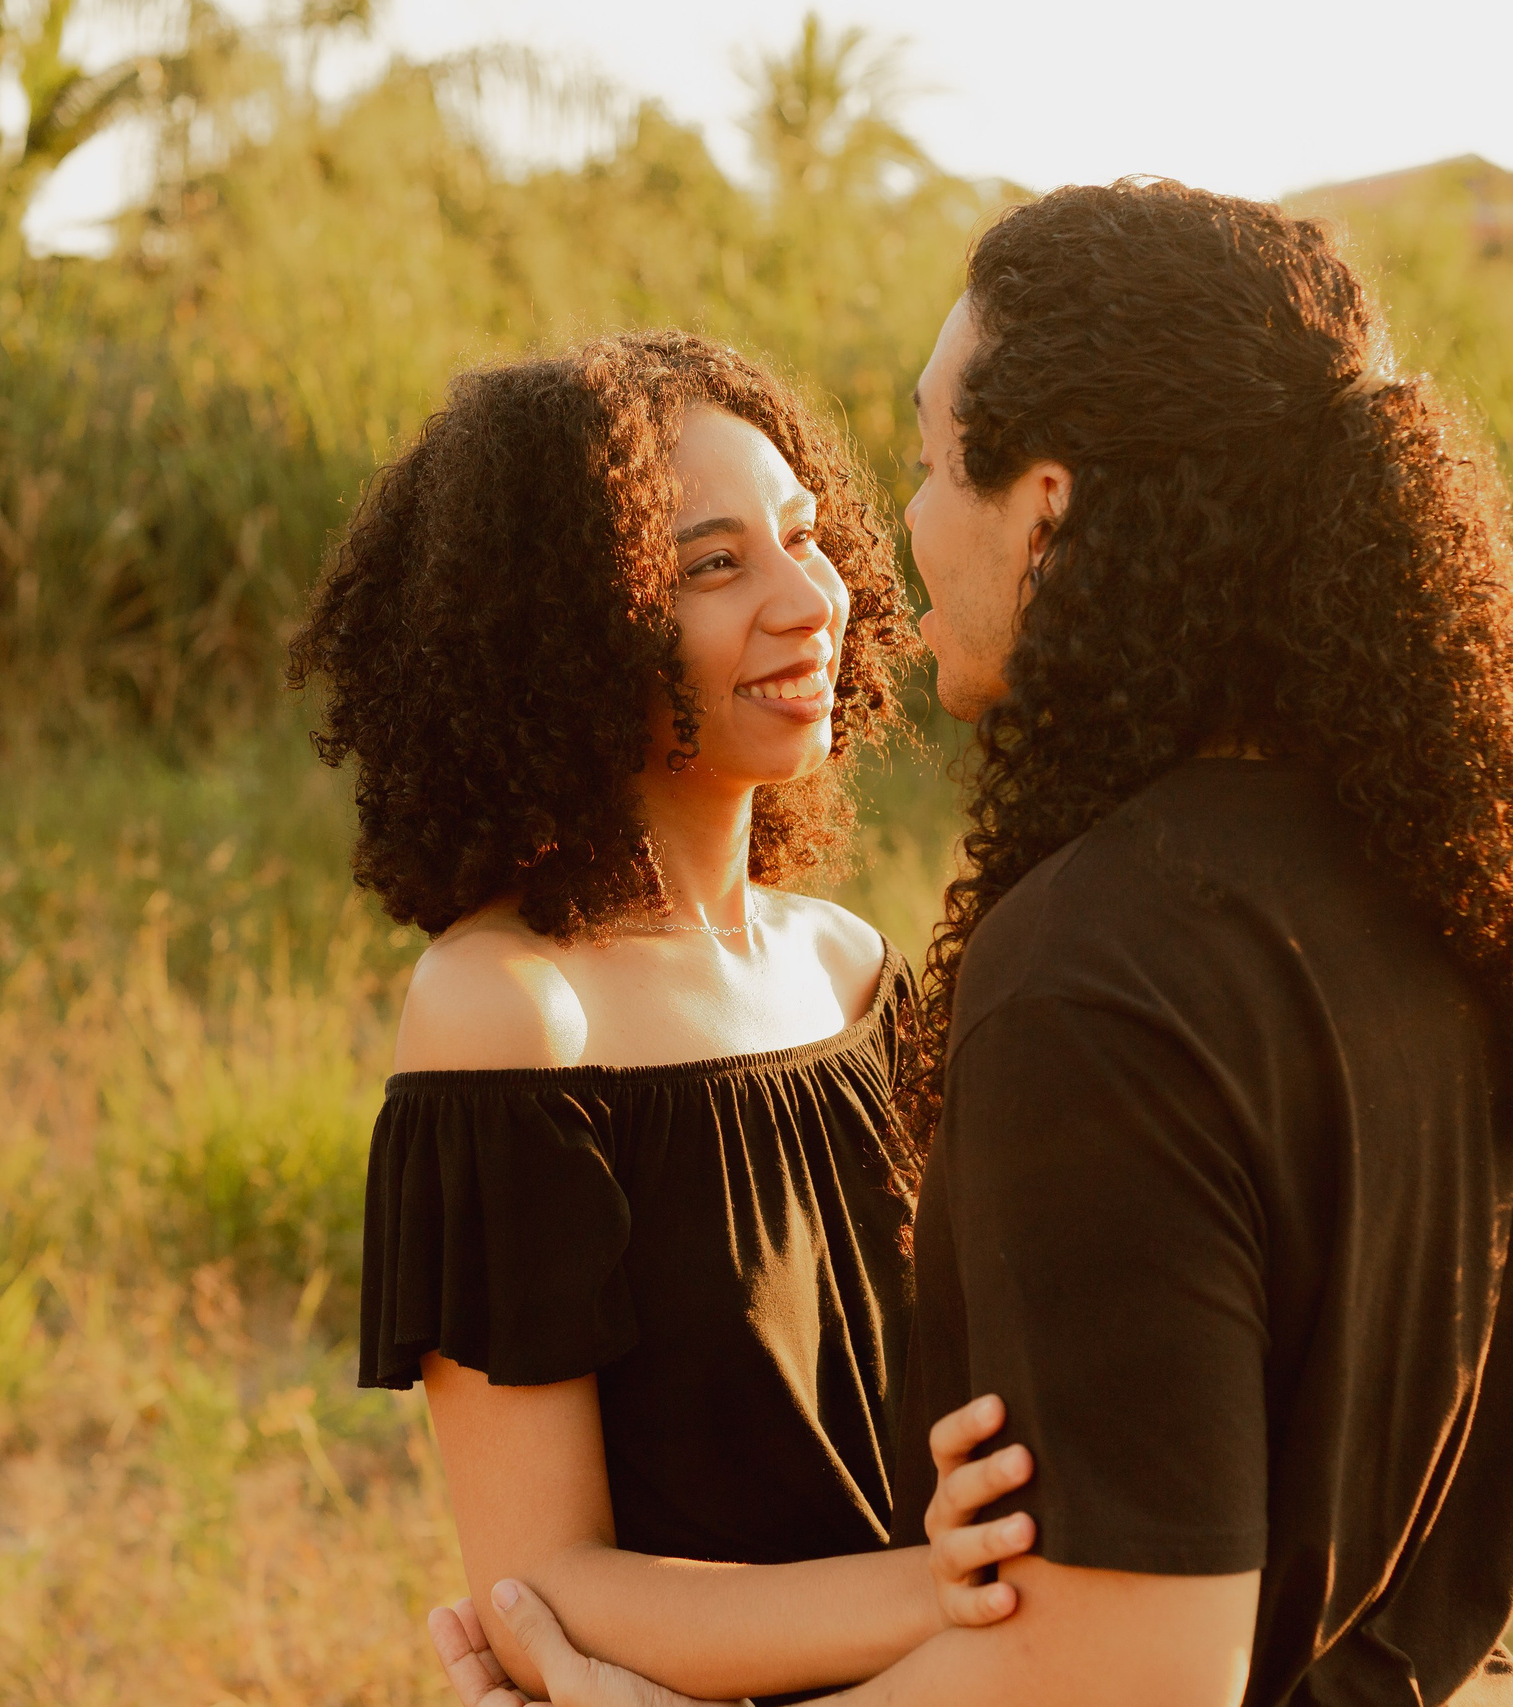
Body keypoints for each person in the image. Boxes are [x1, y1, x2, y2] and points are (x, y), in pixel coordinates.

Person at [433, 181, 1513, 1705]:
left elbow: (1133, 1676)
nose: (891, 540)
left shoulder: (1097, 974)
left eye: (929, 462)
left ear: (1046, 503)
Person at [288, 331, 1043, 1706]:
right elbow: (546, 1587)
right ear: (566, 634)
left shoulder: (852, 965)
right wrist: (946, 1594)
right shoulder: (510, 1011)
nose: (806, 599)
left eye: (804, 537)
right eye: (712, 566)